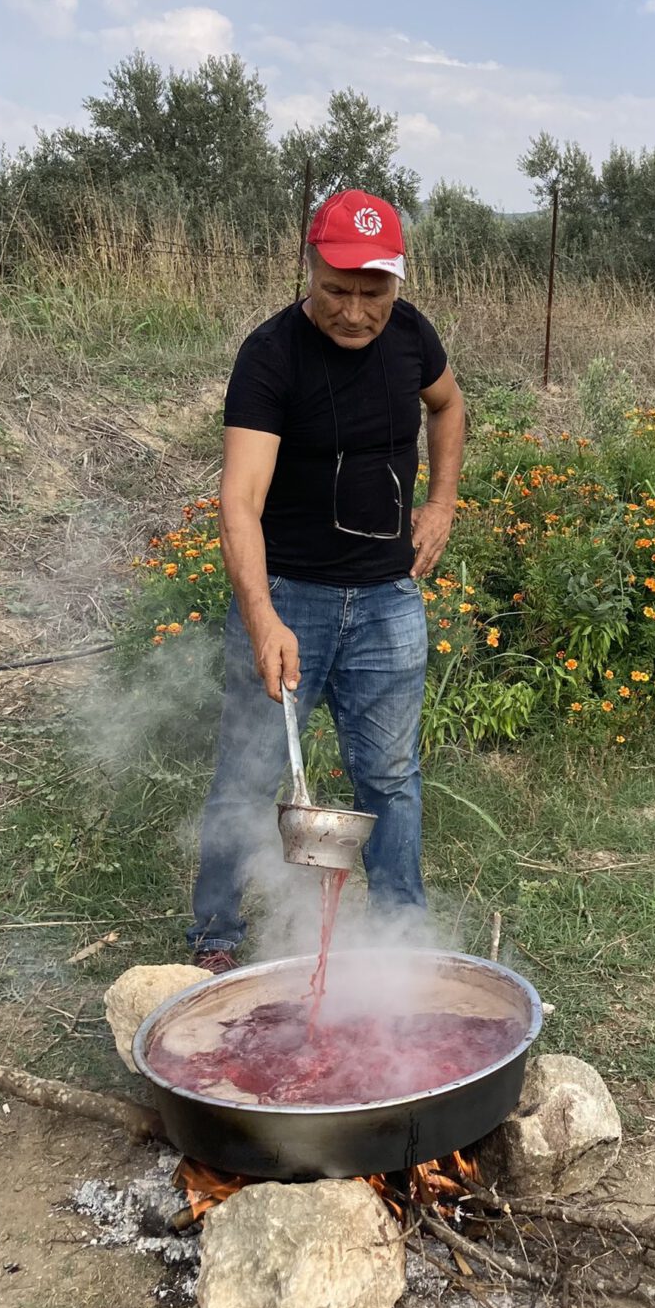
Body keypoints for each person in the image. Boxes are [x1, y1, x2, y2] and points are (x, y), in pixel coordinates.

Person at [187, 189, 465, 973]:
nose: (352, 312)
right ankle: (215, 936)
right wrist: (264, 615)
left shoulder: (413, 338)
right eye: (335, 290)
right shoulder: (271, 354)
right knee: (247, 771)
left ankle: (404, 940)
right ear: (310, 268)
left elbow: (447, 408)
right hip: (290, 596)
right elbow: (239, 501)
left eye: (371, 294)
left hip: (387, 601)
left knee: (390, 777)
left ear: (397, 283)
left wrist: (441, 500)